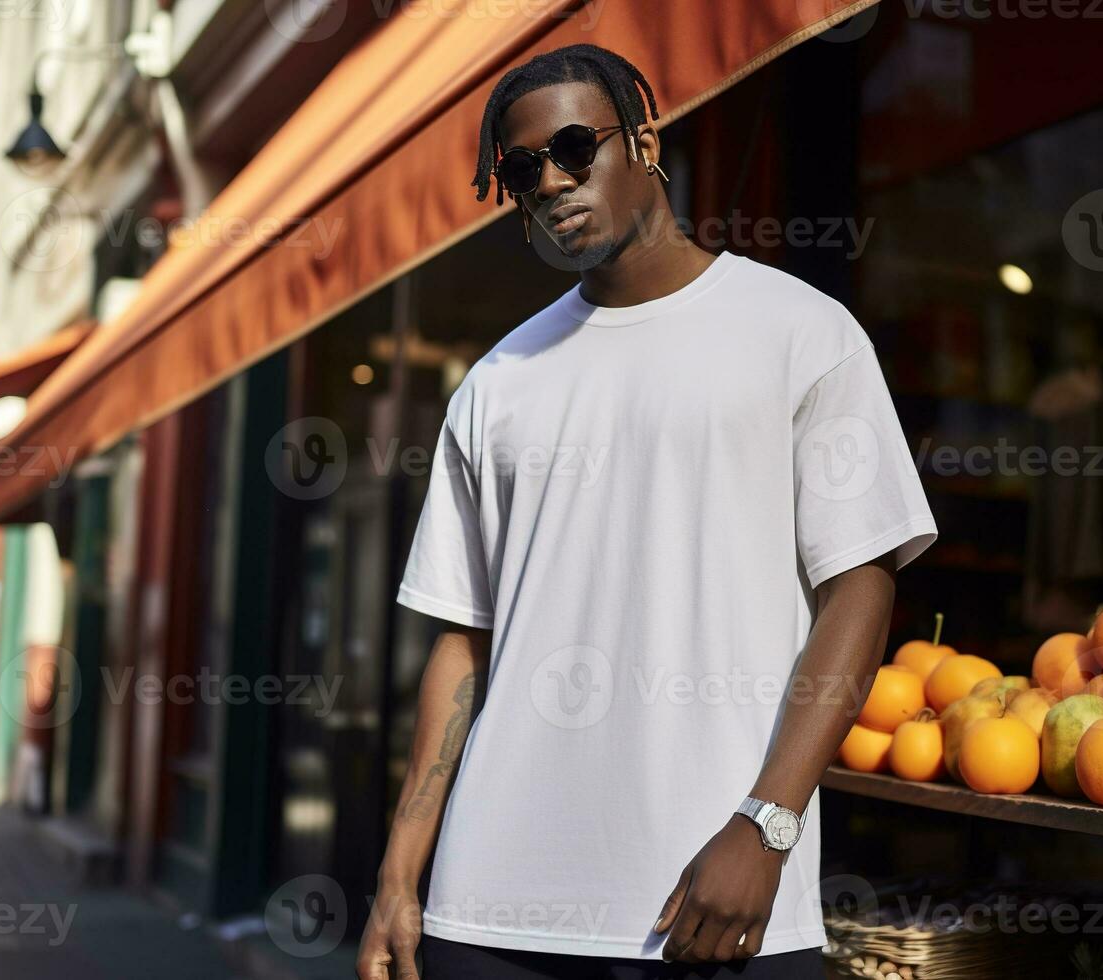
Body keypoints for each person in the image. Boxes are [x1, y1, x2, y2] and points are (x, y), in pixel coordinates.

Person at [356, 44, 937, 980]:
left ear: (646, 142)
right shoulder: (496, 385)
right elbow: (461, 643)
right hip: (489, 908)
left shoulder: (801, 333)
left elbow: (859, 592)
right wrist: (397, 876)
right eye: (520, 169)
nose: (550, 180)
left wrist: (769, 823)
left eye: (575, 148)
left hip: (714, 898)